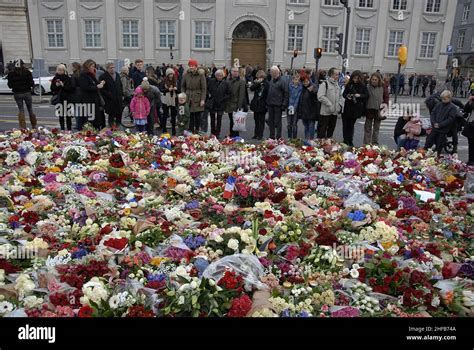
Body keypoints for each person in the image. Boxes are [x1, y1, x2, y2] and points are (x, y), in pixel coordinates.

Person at [424, 90, 458, 156]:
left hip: (443, 128)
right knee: (429, 141)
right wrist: (433, 122)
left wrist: (440, 124)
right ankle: (424, 152)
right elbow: (433, 113)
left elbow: (450, 119)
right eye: (442, 99)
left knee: (439, 144)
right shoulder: (438, 104)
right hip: (435, 127)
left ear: (449, 98)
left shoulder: (452, 107)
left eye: (445, 99)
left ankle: (437, 154)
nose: (443, 100)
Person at [7, 59, 36, 129]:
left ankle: (23, 127)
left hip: (17, 93)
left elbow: (10, 85)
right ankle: (34, 126)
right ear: (23, 64)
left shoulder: (11, 74)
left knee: (21, 110)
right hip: (27, 93)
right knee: (30, 109)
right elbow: (32, 83)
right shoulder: (27, 72)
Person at [342, 70, 368, 147]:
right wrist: (347, 96)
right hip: (347, 107)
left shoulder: (363, 86)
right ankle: (345, 140)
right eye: (354, 78)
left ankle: (350, 140)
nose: (355, 80)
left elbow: (366, 95)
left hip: (356, 108)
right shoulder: (349, 84)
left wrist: (359, 95)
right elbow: (344, 94)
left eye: (357, 78)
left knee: (351, 125)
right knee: (345, 125)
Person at [78, 59, 106, 130]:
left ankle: (95, 130)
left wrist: (101, 83)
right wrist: (96, 87)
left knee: (96, 119)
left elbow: (95, 84)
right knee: (89, 119)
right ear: (88, 67)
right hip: (87, 101)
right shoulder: (83, 75)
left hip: (94, 100)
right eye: (92, 66)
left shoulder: (91, 75)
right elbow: (85, 87)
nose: (94, 68)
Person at [181, 59, 207, 134]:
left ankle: (197, 131)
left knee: (198, 116)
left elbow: (204, 88)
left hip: (197, 97)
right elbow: (182, 86)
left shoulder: (201, 75)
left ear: (196, 66)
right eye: (190, 66)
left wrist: (202, 99)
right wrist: (183, 95)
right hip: (188, 97)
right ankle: (191, 131)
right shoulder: (186, 74)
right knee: (190, 115)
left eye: (193, 66)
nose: (191, 67)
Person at [317, 67, 341, 139]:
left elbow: (340, 96)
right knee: (322, 131)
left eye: (338, 74)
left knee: (331, 131)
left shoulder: (337, 85)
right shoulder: (325, 84)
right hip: (325, 112)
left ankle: (328, 146)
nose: (337, 76)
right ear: (331, 74)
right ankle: (320, 146)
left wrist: (339, 105)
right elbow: (320, 96)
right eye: (336, 74)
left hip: (334, 112)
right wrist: (329, 104)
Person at [364, 72, 387, 145]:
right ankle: (366, 143)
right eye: (372, 79)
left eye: (375, 80)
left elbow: (386, 97)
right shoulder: (367, 86)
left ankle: (375, 143)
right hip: (369, 109)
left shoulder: (382, 87)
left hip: (379, 109)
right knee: (368, 128)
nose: (373, 81)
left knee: (376, 128)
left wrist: (385, 107)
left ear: (378, 80)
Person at [266, 66, 289, 139]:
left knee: (278, 122)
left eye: (271, 72)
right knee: (270, 121)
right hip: (270, 104)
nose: (270, 73)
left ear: (275, 72)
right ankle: (271, 136)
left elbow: (286, 93)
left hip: (278, 104)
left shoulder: (283, 81)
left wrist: (284, 104)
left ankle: (278, 136)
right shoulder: (272, 80)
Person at [208, 69, 231, 138]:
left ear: (223, 76)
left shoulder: (226, 83)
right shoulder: (211, 81)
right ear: (215, 76)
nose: (219, 77)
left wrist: (223, 99)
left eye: (220, 76)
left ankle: (217, 133)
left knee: (219, 119)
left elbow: (229, 93)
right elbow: (208, 89)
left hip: (221, 103)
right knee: (212, 118)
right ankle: (213, 132)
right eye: (218, 75)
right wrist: (209, 95)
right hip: (213, 102)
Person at [50, 64, 74, 131]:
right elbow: (52, 89)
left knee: (68, 115)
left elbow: (70, 89)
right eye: (58, 70)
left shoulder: (67, 78)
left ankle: (69, 129)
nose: (60, 71)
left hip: (67, 99)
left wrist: (63, 85)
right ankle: (62, 129)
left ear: (64, 71)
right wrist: (56, 85)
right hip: (59, 99)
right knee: (61, 115)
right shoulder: (55, 78)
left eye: (61, 70)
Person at [225, 66, 247, 137]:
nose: (235, 73)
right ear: (231, 72)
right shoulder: (228, 81)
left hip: (236, 104)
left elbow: (241, 95)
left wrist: (239, 106)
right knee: (232, 120)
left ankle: (235, 135)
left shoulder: (241, 81)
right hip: (229, 104)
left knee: (235, 121)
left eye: (237, 71)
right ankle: (232, 134)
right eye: (234, 71)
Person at [101, 61, 123, 128]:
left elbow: (120, 85)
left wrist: (121, 94)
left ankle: (118, 126)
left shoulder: (117, 74)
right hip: (110, 100)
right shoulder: (103, 76)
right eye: (111, 68)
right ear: (107, 68)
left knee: (119, 113)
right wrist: (109, 94)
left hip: (118, 98)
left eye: (113, 67)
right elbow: (102, 89)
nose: (113, 69)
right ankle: (111, 128)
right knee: (111, 115)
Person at [297, 73, 319, 141]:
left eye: (306, 81)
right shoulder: (302, 88)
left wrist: (312, 91)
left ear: (309, 80)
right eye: (303, 82)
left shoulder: (313, 87)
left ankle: (311, 140)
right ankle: (307, 140)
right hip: (304, 112)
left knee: (311, 127)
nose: (305, 83)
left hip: (311, 111)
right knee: (306, 127)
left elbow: (316, 94)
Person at [250, 70, 268, 140]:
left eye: (258, 77)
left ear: (262, 77)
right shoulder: (257, 83)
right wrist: (257, 83)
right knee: (256, 120)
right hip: (256, 105)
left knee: (261, 121)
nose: (257, 79)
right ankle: (256, 134)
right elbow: (251, 88)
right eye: (257, 78)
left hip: (262, 105)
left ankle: (260, 135)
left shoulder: (266, 84)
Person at [160, 68, 179, 135]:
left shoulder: (176, 81)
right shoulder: (164, 81)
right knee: (165, 114)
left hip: (174, 99)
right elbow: (161, 89)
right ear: (167, 75)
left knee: (173, 115)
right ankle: (164, 128)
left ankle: (174, 129)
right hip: (166, 100)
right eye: (169, 74)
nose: (171, 75)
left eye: (172, 74)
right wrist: (168, 89)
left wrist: (176, 89)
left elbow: (179, 91)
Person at [287, 74, 303, 139]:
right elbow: (288, 96)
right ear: (292, 80)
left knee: (294, 124)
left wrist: (294, 106)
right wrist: (289, 106)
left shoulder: (300, 88)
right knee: (288, 124)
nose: (297, 81)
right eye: (295, 79)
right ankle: (289, 137)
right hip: (289, 107)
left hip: (295, 108)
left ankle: (294, 138)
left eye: (298, 80)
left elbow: (298, 98)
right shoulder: (289, 87)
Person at [462, 95, 474, 166]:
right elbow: (466, 109)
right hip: (471, 124)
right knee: (471, 142)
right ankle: (471, 160)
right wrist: (469, 102)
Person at [70, 62, 82, 130]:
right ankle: (80, 124)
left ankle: (78, 125)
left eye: (72, 67)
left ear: (75, 67)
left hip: (76, 95)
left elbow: (73, 86)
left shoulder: (74, 75)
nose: (71, 68)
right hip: (81, 94)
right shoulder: (81, 74)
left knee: (77, 111)